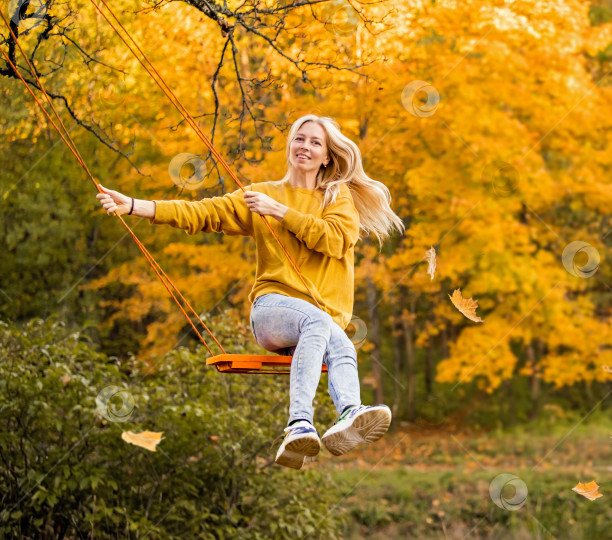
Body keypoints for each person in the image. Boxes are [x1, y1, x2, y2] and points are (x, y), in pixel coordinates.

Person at [96, 114, 405, 469]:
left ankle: (349, 413)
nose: (305, 146)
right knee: (319, 324)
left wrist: (281, 213)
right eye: (299, 139)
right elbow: (201, 213)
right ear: (290, 146)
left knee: (341, 342)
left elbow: (335, 241)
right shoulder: (262, 194)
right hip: (272, 309)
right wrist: (135, 205)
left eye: (315, 142)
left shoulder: (337, 198)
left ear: (327, 157)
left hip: (317, 320)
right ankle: (299, 424)